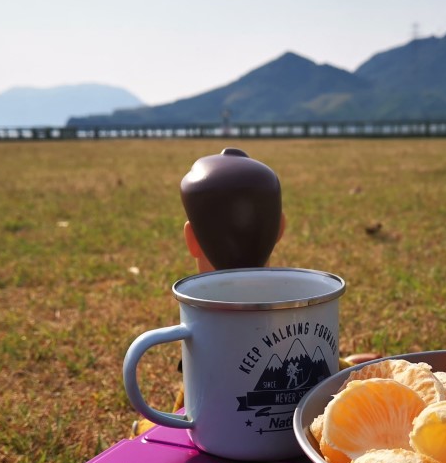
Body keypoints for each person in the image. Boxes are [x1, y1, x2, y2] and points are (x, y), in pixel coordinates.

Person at [131, 147, 377, 437]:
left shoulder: (200, 309)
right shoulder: (297, 291)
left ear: (191, 239)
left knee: (198, 400)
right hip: (296, 431)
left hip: (225, 426)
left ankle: (144, 428)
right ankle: (344, 366)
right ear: (280, 230)